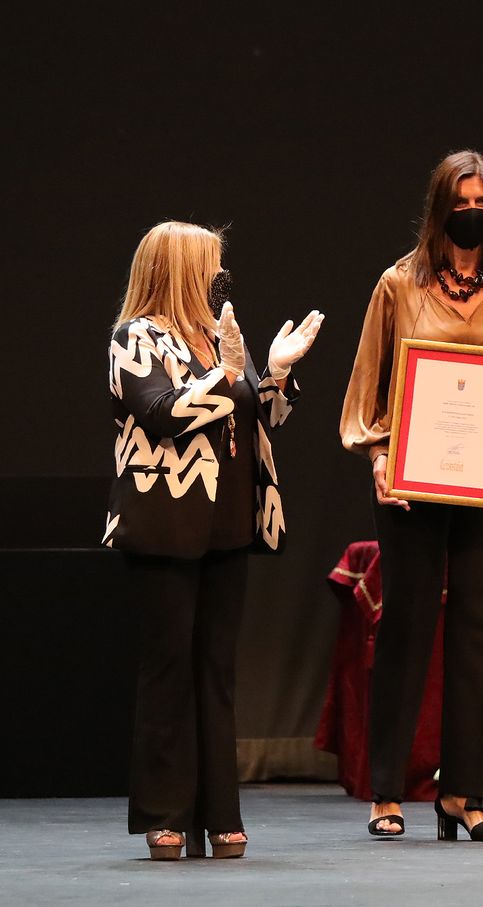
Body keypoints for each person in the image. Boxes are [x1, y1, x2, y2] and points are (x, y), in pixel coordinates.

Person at [341, 149, 483, 843]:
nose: (471, 211)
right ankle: (388, 790)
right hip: (410, 483)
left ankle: (465, 791)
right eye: (458, 201)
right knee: (405, 627)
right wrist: (376, 454)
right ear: (438, 208)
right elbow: (367, 388)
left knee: (477, 631)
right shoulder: (398, 285)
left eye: (481, 199)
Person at [106, 221, 322, 859]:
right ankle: (164, 813)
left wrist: (275, 375)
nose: (217, 273)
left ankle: (219, 811)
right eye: (208, 262)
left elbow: (261, 415)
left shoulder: (213, 334)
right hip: (165, 523)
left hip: (227, 521)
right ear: (174, 267)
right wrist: (227, 380)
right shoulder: (132, 338)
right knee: (169, 671)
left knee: (216, 671)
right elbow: (160, 411)